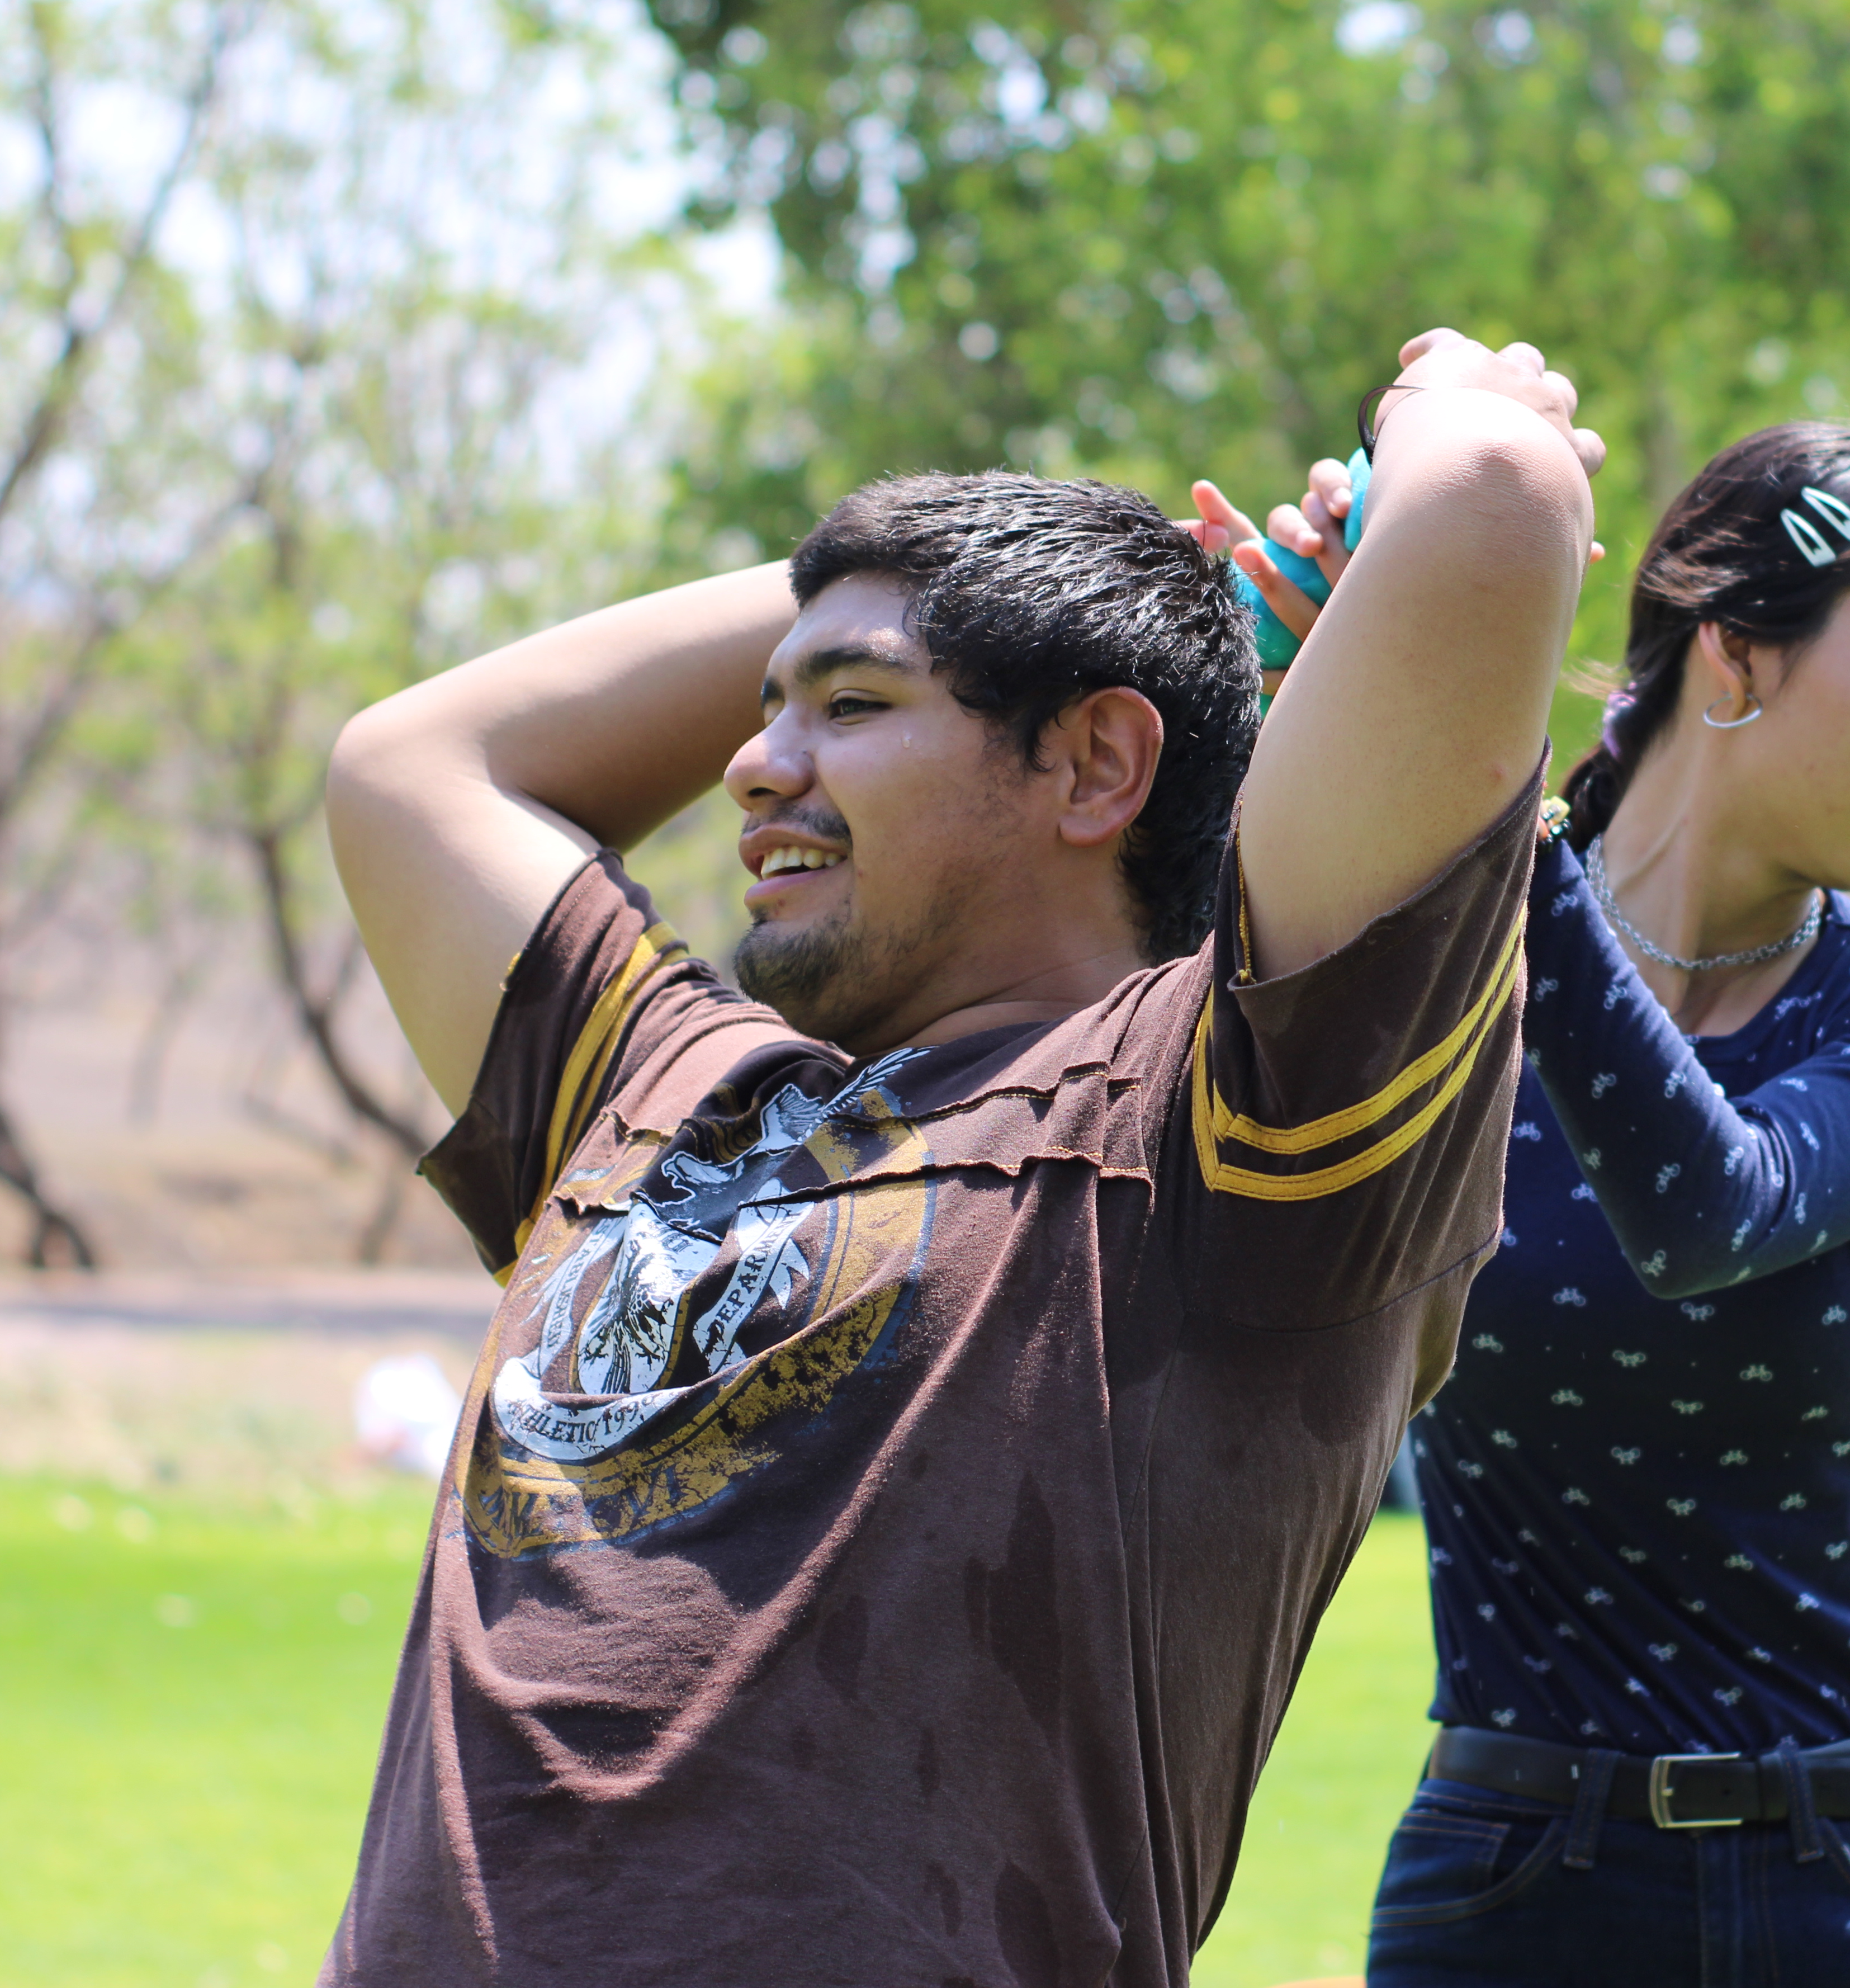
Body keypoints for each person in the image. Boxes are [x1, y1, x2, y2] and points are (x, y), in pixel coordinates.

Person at [310, 329, 1601, 1984]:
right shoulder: (655, 1085)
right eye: (771, 700)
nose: (750, 762)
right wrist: (1087, 577)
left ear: (1094, 765)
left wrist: (1457, 412)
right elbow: (412, 764)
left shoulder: (1225, 1137)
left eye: (850, 705)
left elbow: (1488, 500)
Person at [1214, 423, 1850, 1982]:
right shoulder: (1436, 975)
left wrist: (1463, 772)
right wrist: (1281, 688)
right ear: (1736, 658)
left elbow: (1709, 1211)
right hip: (1513, 1890)